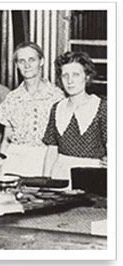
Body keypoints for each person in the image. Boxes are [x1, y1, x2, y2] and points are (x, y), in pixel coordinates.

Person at [0, 41, 65, 176]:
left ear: (41, 61)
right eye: (21, 61)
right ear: (17, 65)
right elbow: (6, 139)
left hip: (45, 161)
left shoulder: (57, 97)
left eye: (31, 60)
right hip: (14, 161)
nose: (27, 65)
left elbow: (61, 141)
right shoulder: (12, 98)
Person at [43, 51, 107, 184]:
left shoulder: (102, 107)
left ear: (87, 77)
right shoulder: (57, 108)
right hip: (60, 175)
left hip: (92, 176)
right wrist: (46, 181)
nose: (70, 81)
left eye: (76, 75)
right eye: (65, 75)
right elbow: (52, 150)